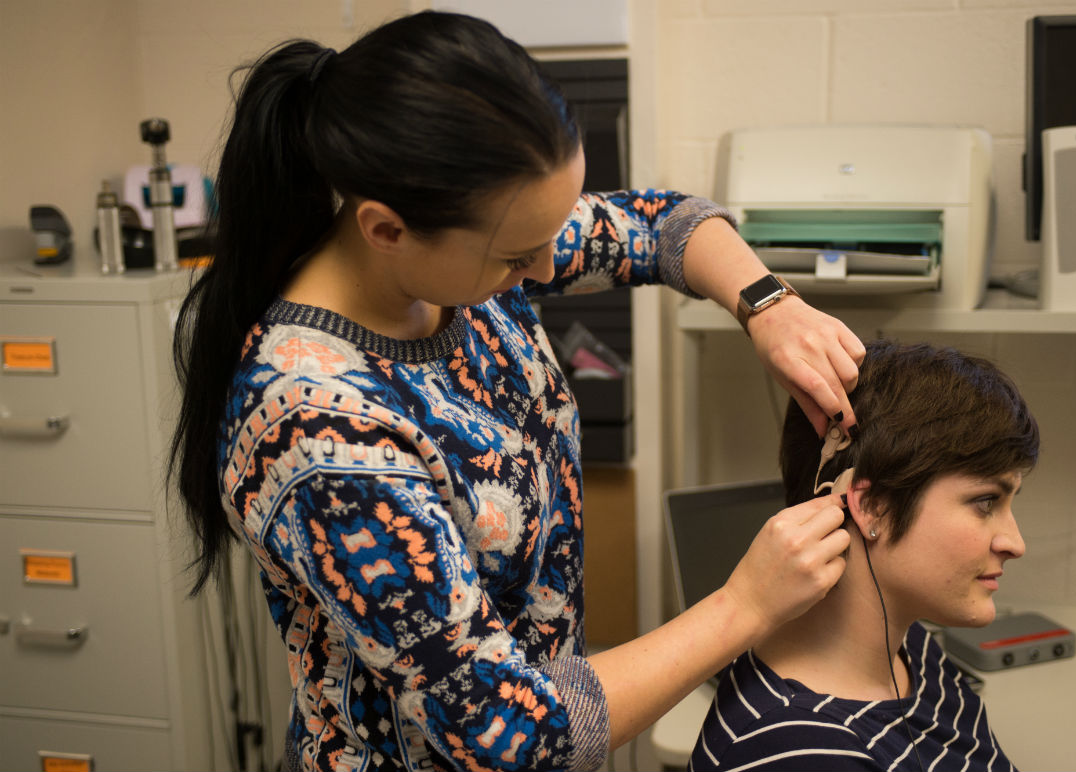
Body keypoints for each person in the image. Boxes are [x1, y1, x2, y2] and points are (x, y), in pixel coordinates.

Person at [168, 10, 866, 772]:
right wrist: (746, 606)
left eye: (552, 232)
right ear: (386, 228)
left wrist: (770, 305)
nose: (544, 269)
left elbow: (662, 225)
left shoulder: (460, 258)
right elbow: (509, 733)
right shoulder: (316, 427)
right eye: (519, 256)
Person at [688, 340, 1040, 772]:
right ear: (872, 507)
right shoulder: (796, 749)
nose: (1014, 542)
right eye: (985, 503)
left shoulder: (911, 648)